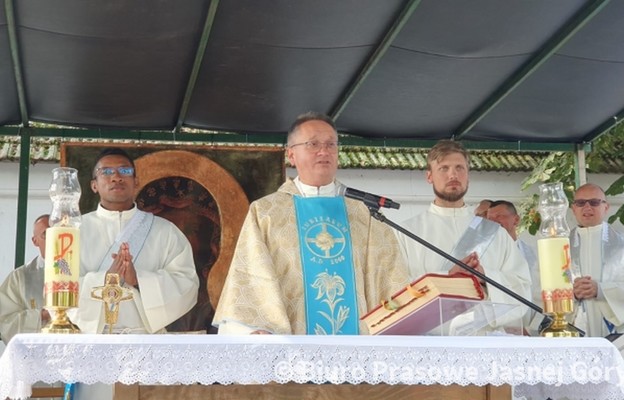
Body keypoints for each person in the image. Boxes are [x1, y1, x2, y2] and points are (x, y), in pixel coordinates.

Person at [213, 112, 409, 335]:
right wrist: (256, 329)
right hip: (290, 350)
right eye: (313, 144)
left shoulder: (365, 212)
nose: (324, 151)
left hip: (359, 352)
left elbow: (391, 280)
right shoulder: (266, 213)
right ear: (291, 155)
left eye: (330, 145)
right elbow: (251, 278)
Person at [395, 140, 531, 329]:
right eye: (444, 168)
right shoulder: (406, 232)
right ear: (429, 177)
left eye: (460, 168)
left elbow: (522, 287)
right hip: (429, 343)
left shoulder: (496, 233)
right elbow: (394, 290)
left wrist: (485, 277)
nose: (453, 174)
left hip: (484, 344)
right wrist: (447, 278)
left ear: (468, 176)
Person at [73, 147, 199, 334]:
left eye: (125, 171)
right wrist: (105, 279)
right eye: (106, 171)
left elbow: (187, 284)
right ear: (94, 185)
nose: (116, 177)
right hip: (92, 339)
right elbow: (60, 286)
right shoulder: (75, 232)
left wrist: (138, 280)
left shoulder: (165, 231)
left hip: (147, 339)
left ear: (136, 182)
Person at [570, 183, 624, 337]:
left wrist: (601, 290)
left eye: (594, 202)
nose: (587, 207)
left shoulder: (621, 245)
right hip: (574, 328)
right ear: (573, 208)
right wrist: (570, 294)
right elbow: (542, 290)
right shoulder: (560, 247)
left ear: (606, 207)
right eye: (580, 203)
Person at [486, 200, 541, 334]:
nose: (494, 222)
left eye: (499, 216)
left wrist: (532, 328)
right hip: (496, 331)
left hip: (531, 331)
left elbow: (542, 295)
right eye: (489, 219)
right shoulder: (484, 257)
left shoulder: (535, 255)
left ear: (516, 220)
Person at [0, 215, 51, 344]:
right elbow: (5, 322)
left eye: (57, 233)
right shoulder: (19, 277)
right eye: (46, 233)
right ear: (35, 241)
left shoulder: (80, 271)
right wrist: (41, 315)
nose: (53, 238)